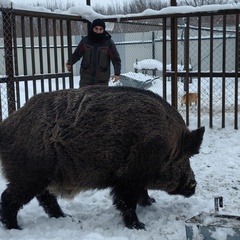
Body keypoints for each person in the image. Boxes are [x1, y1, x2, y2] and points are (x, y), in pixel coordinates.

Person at [66, 18, 121, 88]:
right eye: (96, 29)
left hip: (102, 81)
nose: (98, 31)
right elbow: (77, 54)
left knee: (100, 99)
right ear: (92, 28)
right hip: (86, 79)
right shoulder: (86, 41)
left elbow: (115, 59)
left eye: (100, 29)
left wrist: (117, 73)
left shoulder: (108, 43)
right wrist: (70, 62)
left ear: (104, 30)